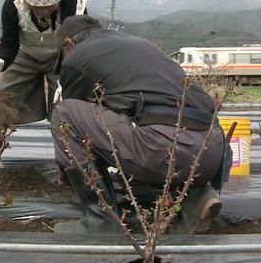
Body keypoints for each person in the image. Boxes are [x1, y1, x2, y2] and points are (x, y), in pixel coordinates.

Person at [50, 15, 230, 234]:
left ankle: (101, 221)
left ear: (68, 44)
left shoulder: (77, 56)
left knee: (64, 113)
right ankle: (196, 198)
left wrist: (66, 169)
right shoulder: (138, 45)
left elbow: (75, 128)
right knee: (152, 123)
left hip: (163, 150)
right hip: (213, 153)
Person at [0, 0, 87, 161]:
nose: (43, 11)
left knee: (67, 106)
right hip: (23, 54)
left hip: (60, 55)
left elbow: (75, 43)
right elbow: (9, 45)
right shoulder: (13, 4)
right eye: (37, 5)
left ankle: (69, 165)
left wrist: (68, 74)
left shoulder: (73, 3)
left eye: (49, 5)